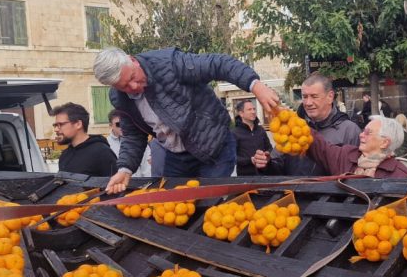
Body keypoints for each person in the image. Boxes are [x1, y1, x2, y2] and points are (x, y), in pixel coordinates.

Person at [94, 47, 280, 192]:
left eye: (133, 77)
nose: (134, 86)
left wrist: (255, 85)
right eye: (125, 86)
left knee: (209, 205)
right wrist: (125, 169)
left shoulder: (169, 63)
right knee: (172, 206)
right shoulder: (120, 98)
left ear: (132, 60)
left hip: (214, 147)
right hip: (177, 156)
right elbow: (133, 136)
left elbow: (218, 64)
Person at [252, 74, 360, 176]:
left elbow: (355, 173)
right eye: (304, 97)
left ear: (330, 97)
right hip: (295, 189)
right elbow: (278, 166)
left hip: (332, 190)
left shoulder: (349, 130)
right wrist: (266, 164)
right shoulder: (292, 127)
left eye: (314, 96)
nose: (308, 103)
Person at [306, 116, 407, 178]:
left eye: (368, 133)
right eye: (363, 131)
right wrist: (301, 127)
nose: (361, 135)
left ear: (384, 143)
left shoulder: (399, 175)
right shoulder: (346, 155)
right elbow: (320, 147)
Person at [53, 103, 118, 177]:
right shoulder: (65, 155)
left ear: (78, 124)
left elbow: (114, 182)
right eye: (55, 125)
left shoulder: (102, 153)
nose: (56, 129)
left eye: (60, 125)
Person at [106, 110, 152, 177]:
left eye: (124, 123)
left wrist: (148, 182)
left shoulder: (140, 141)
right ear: (111, 125)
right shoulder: (107, 144)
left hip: (139, 182)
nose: (122, 126)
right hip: (117, 182)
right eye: (118, 124)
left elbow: (147, 169)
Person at [232, 100, 271, 177]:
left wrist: (267, 155)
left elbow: (269, 148)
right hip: (245, 176)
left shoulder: (261, 130)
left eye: (254, 109)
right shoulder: (234, 133)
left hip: (265, 174)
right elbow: (232, 158)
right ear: (241, 113)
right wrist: (250, 160)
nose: (253, 112)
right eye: (249, 109)